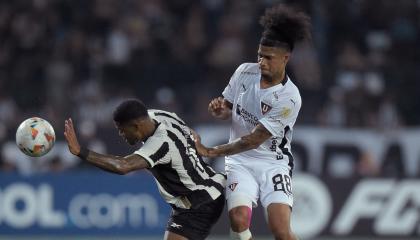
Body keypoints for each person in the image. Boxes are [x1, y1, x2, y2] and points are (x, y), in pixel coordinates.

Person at [192, 5, 311, 240]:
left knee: (280, 230)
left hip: (272, 162)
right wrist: (221, 110)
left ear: (286, 58)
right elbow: (228, 108)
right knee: (238, 219)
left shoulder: (289, 97)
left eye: (268, 58)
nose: (261, 62)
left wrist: (210, 151)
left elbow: (254, 140)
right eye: (259, 55)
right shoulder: (244, 72)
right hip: (239, 162)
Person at [64, 99, 225, 240]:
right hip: (204, 191)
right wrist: (194, 147)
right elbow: (193, 133)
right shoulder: (160, 116)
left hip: (200, 203)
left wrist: (80, 151)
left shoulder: (160, 142)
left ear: (136, 126)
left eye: (122, 129)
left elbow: (123, 166)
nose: (121, 134)